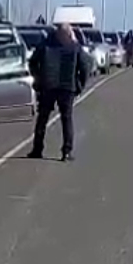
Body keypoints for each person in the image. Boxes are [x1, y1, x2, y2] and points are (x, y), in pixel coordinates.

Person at [26, 24, 91, 162]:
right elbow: (85, 68)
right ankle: (66, 151)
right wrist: (79, 86)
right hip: (66, 88)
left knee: (43, 119)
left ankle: (38, 149)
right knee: (66, 119)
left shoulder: (46, 45)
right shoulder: (74, 47)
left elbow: (32, 62)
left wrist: (38, 78)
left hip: (49, 86)